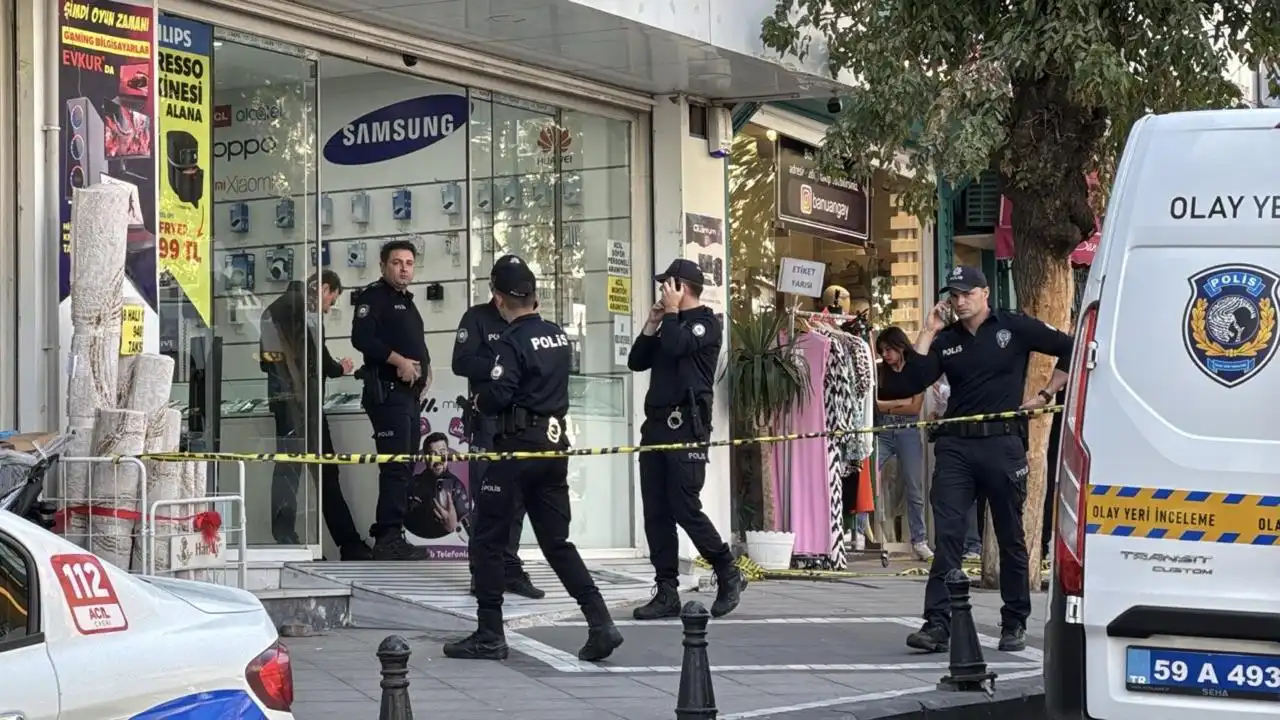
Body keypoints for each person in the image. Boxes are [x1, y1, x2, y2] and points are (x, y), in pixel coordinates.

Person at [879, 265, 1072, 654]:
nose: (960, 300)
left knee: (1009, 536)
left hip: (1002, 445)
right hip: (956, 447)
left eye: (967, 293)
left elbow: (1071, 347)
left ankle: (1014, 621)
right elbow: (910, 381)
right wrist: (929, 329)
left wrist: (1047, 394)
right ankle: (937, 624)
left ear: (985, 293)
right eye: (954, 294)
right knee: (948, 536)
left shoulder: (1013, 327)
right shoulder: (947, 339)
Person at [443, 255, 623, 662]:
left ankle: (490, 633)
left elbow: (498, 394)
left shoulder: (510, 341)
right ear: (535, 295)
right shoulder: (557, 336)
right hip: (554, 449)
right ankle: (600, 621)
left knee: (487, 538)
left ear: (499, 298)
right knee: (556, 541)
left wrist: (479, 400)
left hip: (515, 449)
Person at [627, 258, 745, 621]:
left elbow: (680, 347)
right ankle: (666, 590)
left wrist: (674, 313)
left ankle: (727, 570)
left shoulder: (707, 324)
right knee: (656, 511)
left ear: (681, 287)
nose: (662, 290)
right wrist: (652, 322)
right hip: (657, 426)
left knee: (684, 506)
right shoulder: (670, 324)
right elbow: (636, 360)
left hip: (686, 426)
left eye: (667, 284)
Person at [260, 270, 370, 559]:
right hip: (302, 406)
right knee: (320, 472)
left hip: (289, 404)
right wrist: (338, 368)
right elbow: (314, 361)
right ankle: (346, 543)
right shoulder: (302, 310)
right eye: (330, 301)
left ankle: (290, 539)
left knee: (292, 472)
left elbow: (272, 361)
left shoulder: (276, 309)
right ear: (323, 288)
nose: (328, 308)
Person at [452, 256, 544, 599]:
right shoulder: (477, 318)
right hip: (487, 420)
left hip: (521, 423)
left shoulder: (526, 318)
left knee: (517, 498)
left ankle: (509, 566)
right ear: (495, 290)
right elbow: (461, 361)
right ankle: (483, 571)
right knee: (487, 499)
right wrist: (501, 366)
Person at [351, 239, 432, 561]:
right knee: (396, 467)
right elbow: (362, 339)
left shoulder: (406, 301)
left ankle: (394, 532)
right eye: (397, 263)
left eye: (409, 263)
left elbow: (415, 341)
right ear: (384, 265)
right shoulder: (373, 297)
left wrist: (427, 372)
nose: (404, 269)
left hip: (409, 396)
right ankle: (387, 538)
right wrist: (398, 361)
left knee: (406, 466)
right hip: (387, 394)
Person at [874, 327, 932, 562]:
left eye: (889, 349)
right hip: (883, 429)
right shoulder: (879, 372)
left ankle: (919, 540)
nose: (885, 355)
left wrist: (888, 404)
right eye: (882, 350)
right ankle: (863, 534)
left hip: (908, 429)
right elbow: (876, 405)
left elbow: (915, 407)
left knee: (914, 487)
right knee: (869, 480)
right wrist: (900, 402)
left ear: (900, 345)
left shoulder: (915, 371)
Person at [405, 432, 473, 542]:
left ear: (447, 454)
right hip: (416, 546)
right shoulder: (414, 483)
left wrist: (454, 526)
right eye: (433, 454)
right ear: (426, 457)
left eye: (442, 453)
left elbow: (467, 531)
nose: (438, 460)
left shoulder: (456, 485)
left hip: (449, 550)